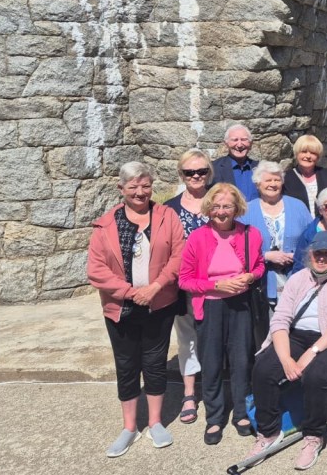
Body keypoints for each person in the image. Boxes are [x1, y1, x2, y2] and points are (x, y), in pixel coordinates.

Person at [88, 162, 185, 457]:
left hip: (160, 303)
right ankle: (129, 427)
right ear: (122, 189)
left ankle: (155, 422)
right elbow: (96, 270)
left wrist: (155, 288)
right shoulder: (105, 225)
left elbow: (179, 255)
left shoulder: (167, 216)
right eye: (133, 187)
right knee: (127, 365)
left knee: (155, 363)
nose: (140, 192)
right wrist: (131, 293)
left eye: (145, 186)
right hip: (121, 308)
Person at [247, 231, 327, 471]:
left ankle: (313, 435)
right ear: (310, 253)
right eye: (318, 253)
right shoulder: (297, 279)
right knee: (264, 369)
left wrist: (313, 352)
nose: (322, 258)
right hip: (296, 335)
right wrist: (286, 358)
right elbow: (280, 320)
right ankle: (268, 432)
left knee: (315, 374)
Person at [179, 183, 265, 445]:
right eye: (216, 206)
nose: (221, 211)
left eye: (227, 206)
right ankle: (215, 418)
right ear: (208, 208)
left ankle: (240, 412)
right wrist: (216, 285)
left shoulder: (251, 234)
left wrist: (251, 275)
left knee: (241, 360)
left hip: (241, 305)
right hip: (211, 306)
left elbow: (260, 266)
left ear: (236, 208)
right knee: (213, 362)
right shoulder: (197, 238)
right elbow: (185, 280)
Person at [164, 149, 212, 426]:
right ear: (181, 175)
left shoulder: (219, 200)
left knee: (217, 338)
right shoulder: (169, 208)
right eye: (189, 172)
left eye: (201, 171)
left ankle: (217, 390)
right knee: (187, 339)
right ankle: (190, 393)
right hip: (183, 285)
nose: (196, 176)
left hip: (215, 284)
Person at [243, 161, 312, 306]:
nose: (273, 184)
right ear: (258, 184)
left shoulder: (298, 206)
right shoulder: (246, 211)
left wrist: (298, 254)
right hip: (261, 283)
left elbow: (312, 239)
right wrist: (266, 256)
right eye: (268, 180)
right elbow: (238, 249)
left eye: (277, 180)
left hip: (296, 276)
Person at [282, 135, 327, 218]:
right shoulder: (287, 178)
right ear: (297, 154)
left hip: (323, 226)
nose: (308, 156)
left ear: (318, 156)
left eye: (313, 153)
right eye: (304, 152)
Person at [211, 123, 259, 201]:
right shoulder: (214, 169)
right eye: (235, 140)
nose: (239, 145)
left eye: (244, 139)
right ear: (226, 144)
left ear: (250, 144)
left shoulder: (260, 168)